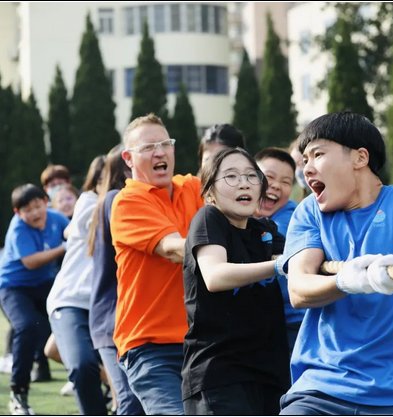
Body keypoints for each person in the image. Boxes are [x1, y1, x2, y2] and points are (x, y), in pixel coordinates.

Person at [279, 112, 393, 415]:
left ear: (360, 157)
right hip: (320, 390)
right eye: (305, 159)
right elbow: (299, 289)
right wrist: (347, 281)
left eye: (317, 155)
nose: (306, 168)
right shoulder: (310, 212)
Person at [182, 147, 290, 415]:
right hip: (219, 374)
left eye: (251, 176)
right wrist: (277, 266)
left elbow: (301, 255)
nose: (244, 182)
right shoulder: (208, 219)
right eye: (231, 176)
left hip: (269, 373)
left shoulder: (263, 230)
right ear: (209, 193)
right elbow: (215, 275)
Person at [111, 113, 203, 415]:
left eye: (165, 144)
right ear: (128, 157)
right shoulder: (128, 201)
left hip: (200, 341)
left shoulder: (191, 187)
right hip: (149, 347)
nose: (160, 152)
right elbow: (174, 250)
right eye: (149, 147)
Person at [45, 155, 108, 415]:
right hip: (73, 300)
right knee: (79, 364)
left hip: (108, 303)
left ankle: (112, 390)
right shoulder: (89, 202)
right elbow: (75, 230)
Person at [0, 184, 69, 415]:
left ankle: (97, 382)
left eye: (38, 205)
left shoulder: (57, 218)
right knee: (27, 328)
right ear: (17, 212)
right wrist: (64, 247)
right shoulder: (18, 229)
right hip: (14, 288)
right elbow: (31, 262)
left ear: (46, 202)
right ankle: (18, 394)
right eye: (28, 209)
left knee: (74, 319)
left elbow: (76, 236)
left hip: (45, 285)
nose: (35, 212)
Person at [87, 145, 143, 415]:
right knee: (130, 401)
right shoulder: (115, 200)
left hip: (129, 321)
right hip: (112, 319)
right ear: (126, 164)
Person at [255, 146, 304, 356]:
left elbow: (268, 241)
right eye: (269, 177)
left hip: (293, 323)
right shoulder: (238, 213)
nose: (275, 186)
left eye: (285, 182)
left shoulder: (290, 216)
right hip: (260, 323)